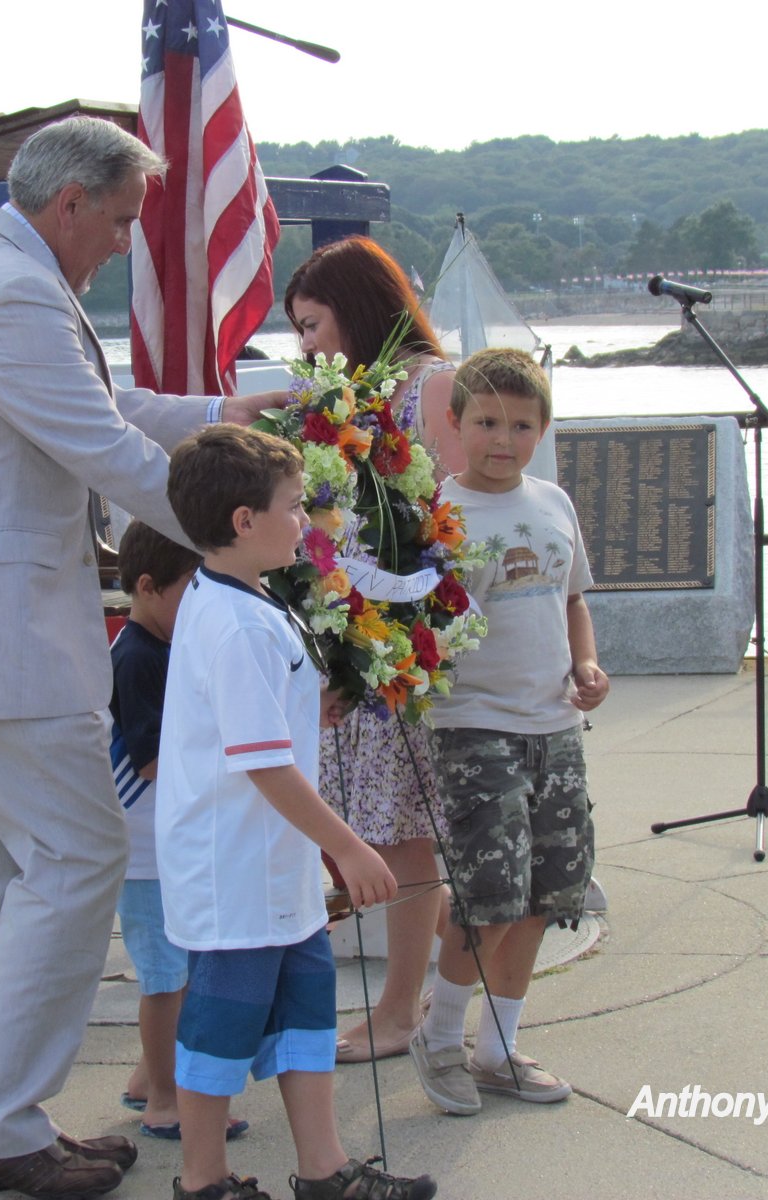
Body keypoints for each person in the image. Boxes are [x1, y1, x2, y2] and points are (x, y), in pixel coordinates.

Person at [0, 116, 281, 1198]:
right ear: (71, 203)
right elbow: (104, 450)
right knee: (84, 857)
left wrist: (217, 412)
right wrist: (256, 537)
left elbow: (90, 406)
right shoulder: (9, 290)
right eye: (123, 222)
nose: (125, 243)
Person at [157, 425, 434, 1200]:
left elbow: (252, 724)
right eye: (293, 506)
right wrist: (348, 848)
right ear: (244, 521)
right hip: (235, 870)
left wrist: (308, 709)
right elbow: (262, 765)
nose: (305, 521)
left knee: (305, 1015)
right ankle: (203, 1179)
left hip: (274, 865)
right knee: (221, 1025)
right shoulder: (237, 623)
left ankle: (323, 1168)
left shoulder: (247, 597)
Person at [409, 348, 609, 1117]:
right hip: (473, 725)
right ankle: (439, 1039)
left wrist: (587, 664)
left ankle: (497, 1051)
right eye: (487, 422)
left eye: (521, 425)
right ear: (455, 423)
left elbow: (572, 600)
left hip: (556, 724)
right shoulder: (437, 515)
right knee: (487, 895)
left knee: (545, 893)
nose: (503, 439)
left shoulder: (553, 503)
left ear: (542, 431)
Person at [282, 236, 460, 1064]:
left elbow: (456, 517)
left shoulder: (432, 385)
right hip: (346, 634)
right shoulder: (343, 393)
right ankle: (457, 956)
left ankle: (398, 1010)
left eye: (313, 324)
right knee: (359, 822)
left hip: (404, 639)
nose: (305, 344)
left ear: (357, 308)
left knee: (399, 832)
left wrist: (403, 627)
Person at [108, 521, 248, 1143]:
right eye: (191, 588)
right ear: (146, 586)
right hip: (146, 854)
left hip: (170, 846)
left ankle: (149, 1078)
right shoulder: (136, 657)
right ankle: (166, 1100)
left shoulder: (164, 644)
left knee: (181, 973)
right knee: (166, 980)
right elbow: (151, 761)